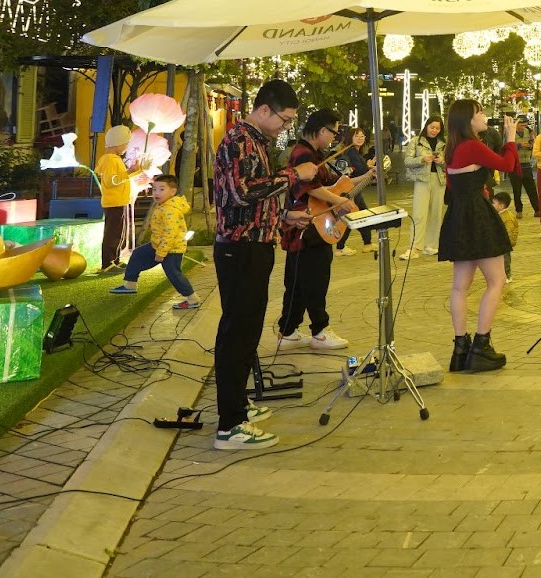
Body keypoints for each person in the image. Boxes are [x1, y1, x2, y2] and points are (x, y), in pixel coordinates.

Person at [211, 79, 320, 450]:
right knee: (237, 333)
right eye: (284, 119)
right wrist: (294, 175)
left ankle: (238, 405)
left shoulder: (256, 141)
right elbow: (240, 192)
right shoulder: (239, 140)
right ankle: (230, 425)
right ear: (263, 110)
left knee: (248, 330)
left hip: (256, 244)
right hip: (239, 250)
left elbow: (255, 195)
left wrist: (283, 216)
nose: (286, 127)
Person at [439, 100, 520, 374]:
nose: (485, 116)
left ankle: (460, 348)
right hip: (476, 213)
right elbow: (507, 164)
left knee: (460, 286)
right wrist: (510, 139)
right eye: (480, 113)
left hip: (458, 215)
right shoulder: (472, 146)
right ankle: (481, 346)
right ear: (468, 121)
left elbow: (453, 184)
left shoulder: (451, 148)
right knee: (496, 280)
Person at [277, 109, 358, 351]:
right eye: (334, 131)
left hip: (305, 225)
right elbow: (310, 187)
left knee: (298, 282)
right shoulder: (304, 154)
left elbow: (330, 184)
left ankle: (288, 331)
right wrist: (338, 201)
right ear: (322, 130)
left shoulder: (312, 152)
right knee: (314, 280)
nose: (334, 137)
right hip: (308, 224)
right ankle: (320, 331)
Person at [109, 173, 199, 310]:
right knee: (138, 254)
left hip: (171, 249)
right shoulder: (164, 204)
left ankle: (192, 299)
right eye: (154, 189)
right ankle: (130, 285)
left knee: (174, 274)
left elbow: (171, 233)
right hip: (157, 245)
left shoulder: (170, 209)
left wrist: (161, 253)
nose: (156, 193)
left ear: (173, 191)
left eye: (162, 189)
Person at [95, 124, 148, 274]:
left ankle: (114, 260)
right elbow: (112, 181)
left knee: (117, 233)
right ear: (117, 143)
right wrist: (130, 171)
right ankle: (108, 263)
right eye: (125, 143)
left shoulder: (112, 159)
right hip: (114, 202)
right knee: (113, 233)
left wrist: (134, 171)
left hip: (118, 201)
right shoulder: (111, 160)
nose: (126, 147)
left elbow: (118, 179)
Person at [402, 117, 447, 260]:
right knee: (419, 214)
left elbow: (451, 164)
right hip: (422, 180)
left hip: (440, 180)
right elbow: (407, 161)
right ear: (426, 126)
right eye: (432, 127)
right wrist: (422, 159)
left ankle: (432, 245)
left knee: (436, 213)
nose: (434, 130)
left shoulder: (444, 143)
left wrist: (442, 161)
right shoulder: (416, 141)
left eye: (437, 128)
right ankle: (414, 247)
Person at [331, 127, 375, 256]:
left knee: (357, 216)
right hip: (350, 191)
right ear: (350, 138)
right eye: (357, 136)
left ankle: (366, 243)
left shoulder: (355, 152)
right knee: (355, 217)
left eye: (362, 136)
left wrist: (368, 165)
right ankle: (343, 247)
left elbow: (358, 169)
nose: (360, 138)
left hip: (355, 191)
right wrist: (367, 170)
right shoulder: (349, 153)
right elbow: (347, 174)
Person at [508, 117, 539, 221]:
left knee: (531, 189)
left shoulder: (529, 132)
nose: (524, 127)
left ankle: (537, 209)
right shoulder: (510, 133)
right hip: (515, 166)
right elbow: (507, 147)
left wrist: (530, 145)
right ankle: (519, 210)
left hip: (526, 164)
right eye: (522, 125)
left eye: (525, 125)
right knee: (517, 190)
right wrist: (519, 145)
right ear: (516, 124)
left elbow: (534, 145)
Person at [493, 191, 519, 278]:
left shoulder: (507, 218)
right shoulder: (499, 214)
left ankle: (507, 275)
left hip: (505, 243)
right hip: (500, 242)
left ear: (501, 206)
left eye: (494, 203)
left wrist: (503, 242)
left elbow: (509, 232)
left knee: (505, 260)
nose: (492, 205)